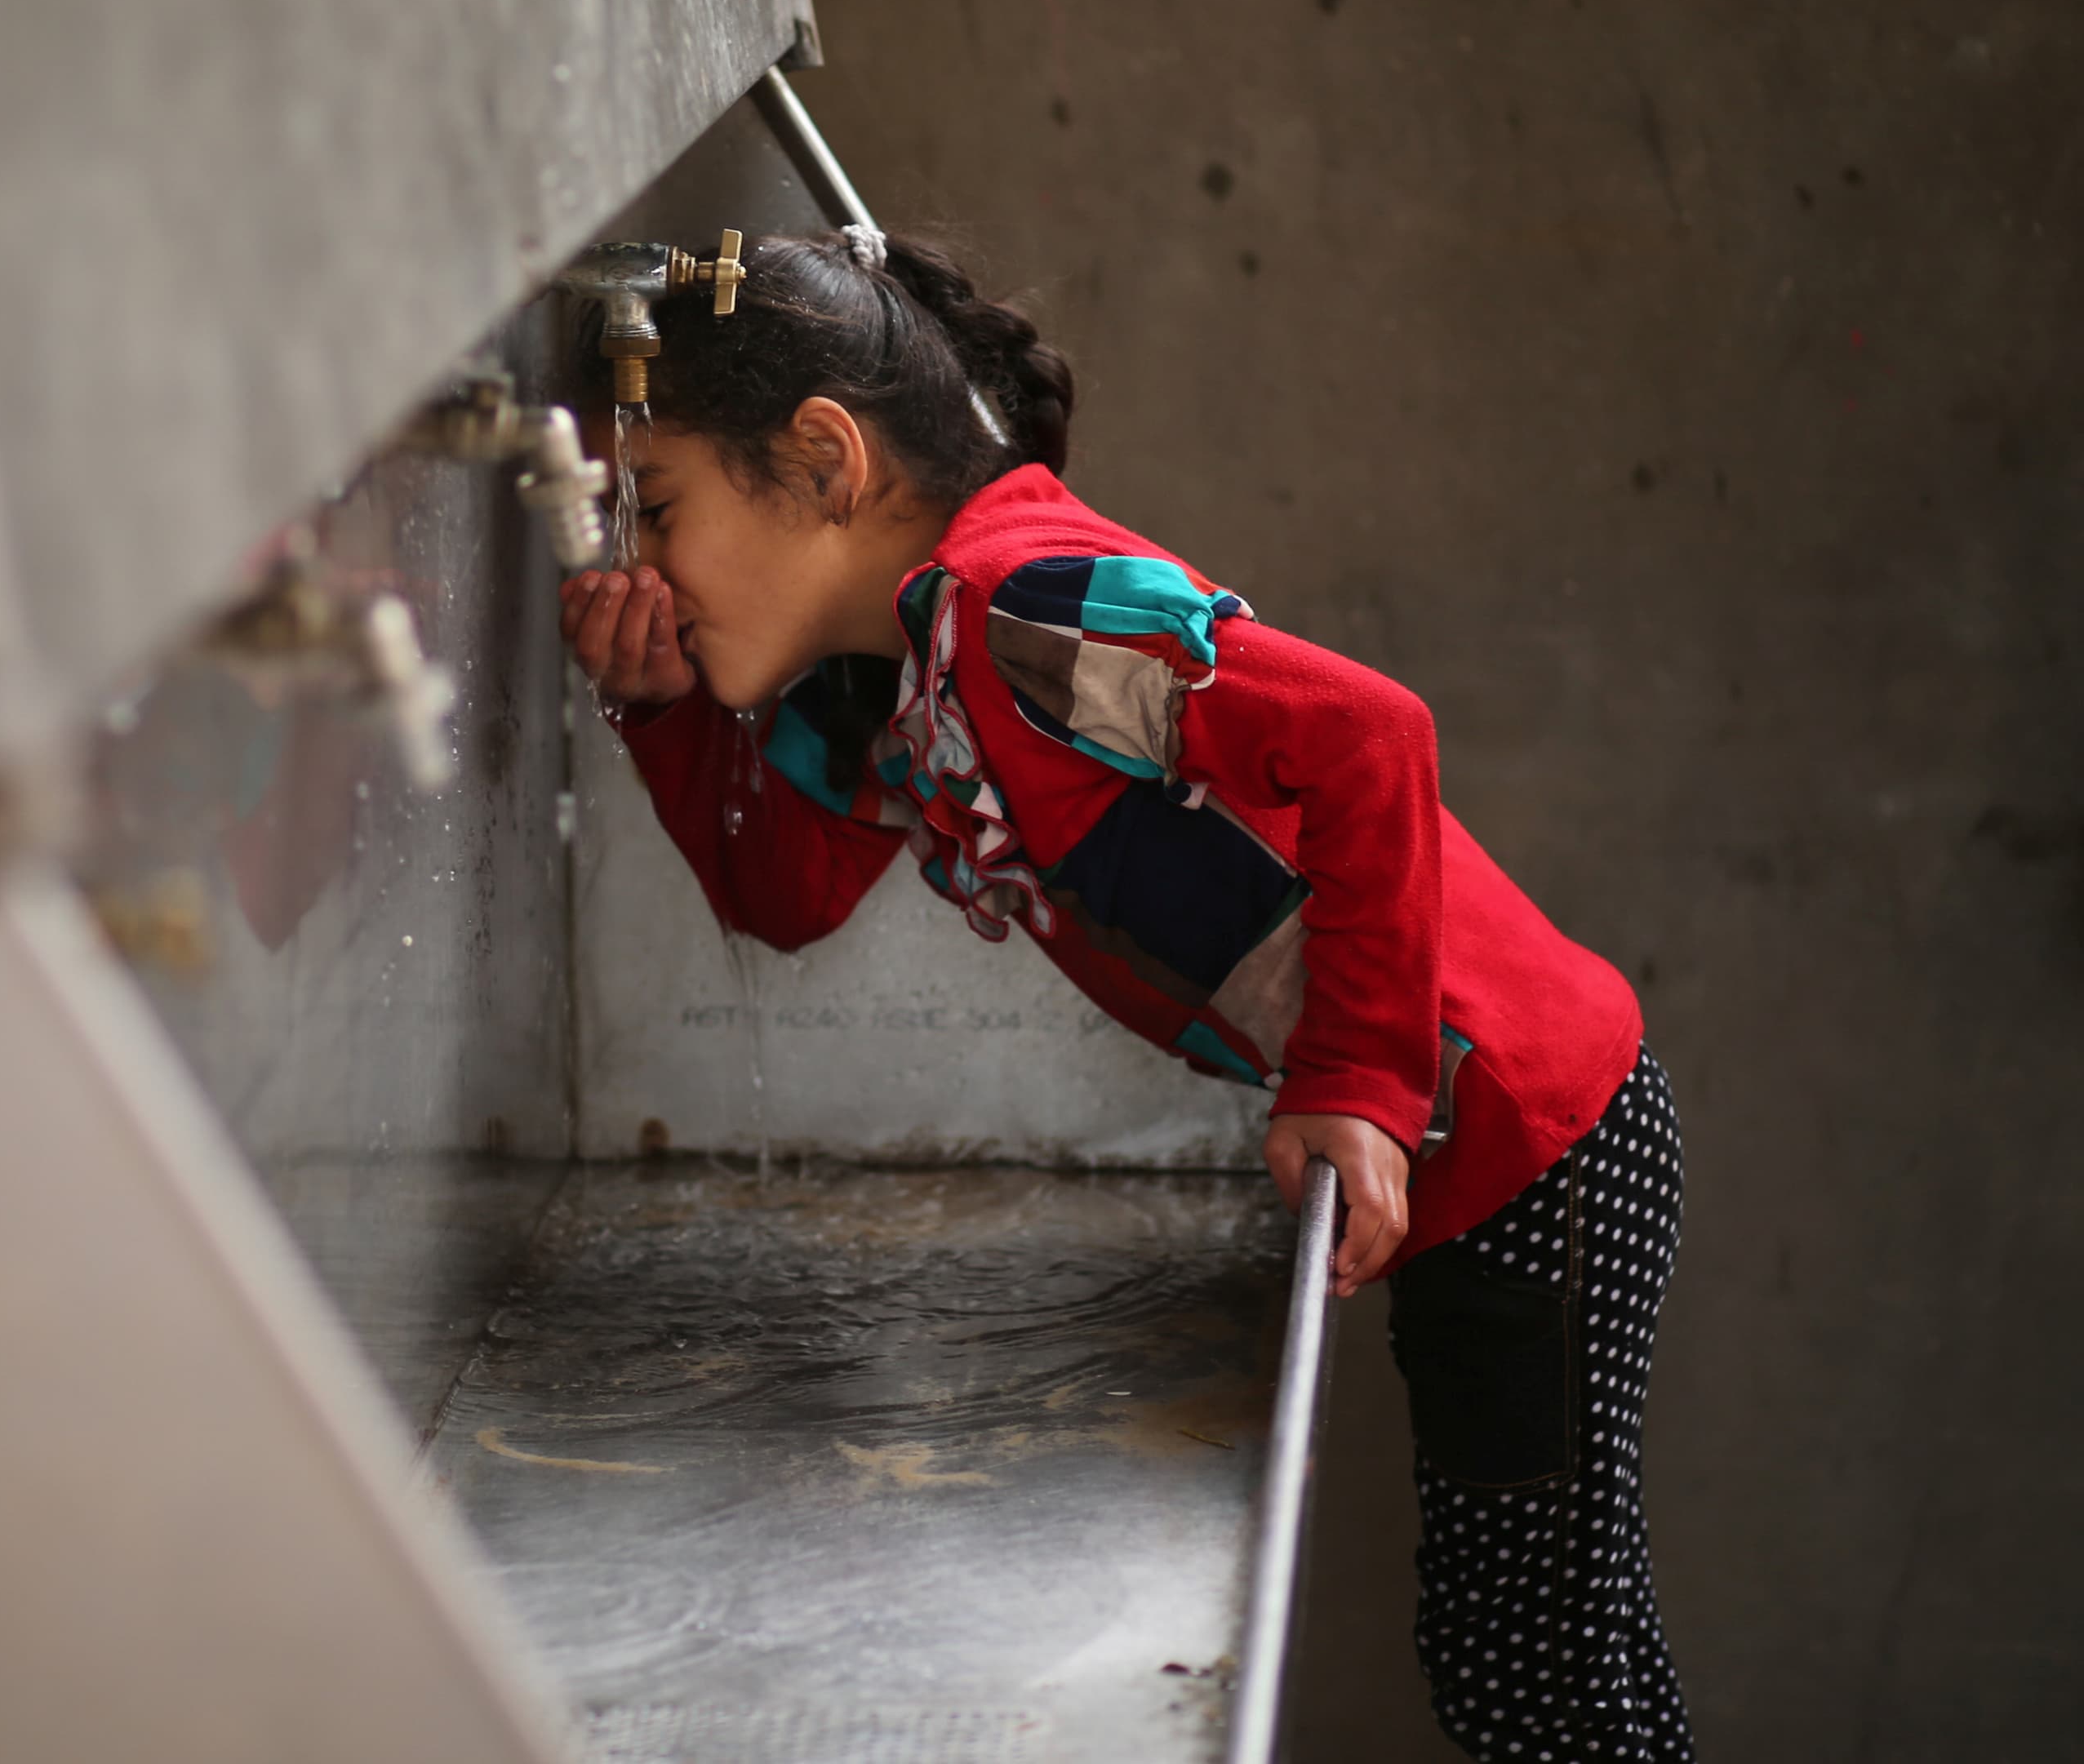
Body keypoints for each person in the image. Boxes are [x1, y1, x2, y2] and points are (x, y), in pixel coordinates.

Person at [560, 226, 1691, 1762]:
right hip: (1483, 1148)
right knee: (1527, 1641)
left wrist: (1357, 1084)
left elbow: (1373, 736)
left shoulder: (1027, 609)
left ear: (823, 459)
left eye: (661, 508)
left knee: (1535, 1662)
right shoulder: (899, 679)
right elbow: (787, 898)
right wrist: (658, 706)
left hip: (1527, 1129)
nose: (639, 565)